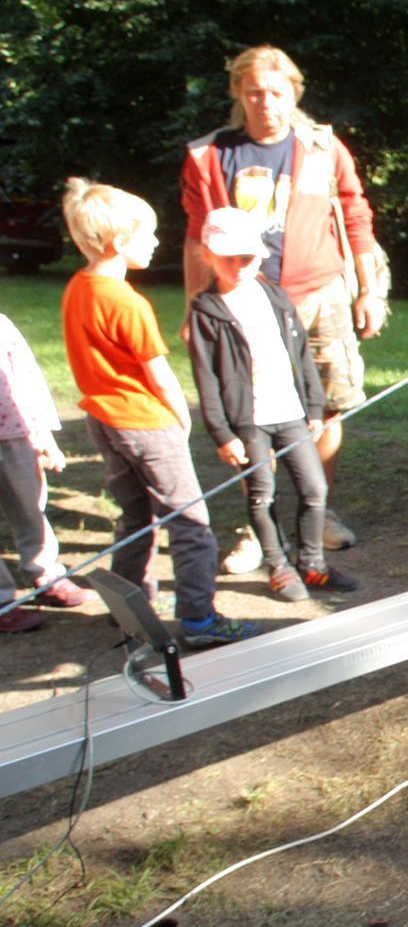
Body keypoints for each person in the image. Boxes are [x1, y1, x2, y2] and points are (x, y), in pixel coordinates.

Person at [181, 44, 383, 561]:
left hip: (321, 292)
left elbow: (356, 215)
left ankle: (321, 512)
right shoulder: (211, 155)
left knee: (329, 405)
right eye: (254, 92)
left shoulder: (321, 147)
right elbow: (193, 237)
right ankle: (260, 526)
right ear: (237, 95)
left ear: (293, 92)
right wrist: (193, 308)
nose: (265, 102)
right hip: (244, 298)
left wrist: (370, 289)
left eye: (275, 92)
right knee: (255, 414)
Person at [59, 179, 259, 647]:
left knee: (135, 516)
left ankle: (128, 607)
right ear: (119, 243)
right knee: (191, 524)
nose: (156, 242)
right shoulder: (126, 302)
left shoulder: (78, 289)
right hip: (145, 424)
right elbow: (159, 373)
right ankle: (200, 620)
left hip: (104, 423)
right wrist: (180, 417)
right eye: (148, 235)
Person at [186, 208, 359, 603]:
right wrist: (222, 433)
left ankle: (312, 564)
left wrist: (315, 410)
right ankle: (279, 566)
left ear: (260, 256)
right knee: (261, 493)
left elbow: (301, 356)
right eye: (227, 257)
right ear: (209, 256)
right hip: (249, 422)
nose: (237, 266)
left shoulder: (275, 296)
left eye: (246, 258)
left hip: (291, 412)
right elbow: (206, 379)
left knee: (314, 487)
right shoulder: (206, 311)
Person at [0, 313, 90, 632]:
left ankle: (45, 576)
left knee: (30, 507)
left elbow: (28, 380)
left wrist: (44, 435)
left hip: (14, 432)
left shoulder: (2, 326)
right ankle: (2, 602)